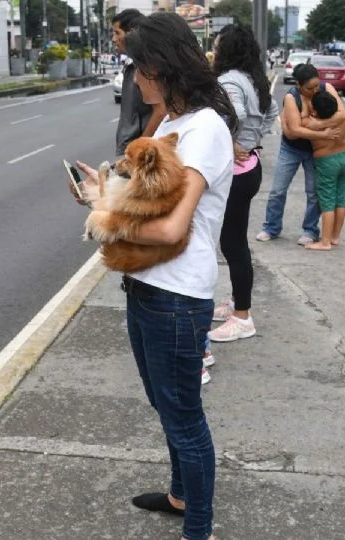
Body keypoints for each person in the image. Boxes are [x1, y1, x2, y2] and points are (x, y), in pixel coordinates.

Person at [71, 12, 236, 540]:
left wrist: (105, 225)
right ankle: (181, 494)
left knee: (184, 416)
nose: (135, 79)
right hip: (146, 287)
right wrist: (104, 196)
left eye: (140, 67)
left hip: (178, 296)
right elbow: (145, 205)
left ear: (162, 67)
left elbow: (170, 230)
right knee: (164, 403)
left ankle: (199, 527)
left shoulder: (205, 129)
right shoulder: (168, 123)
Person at [207, 24, 279, 345]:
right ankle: (238, 304)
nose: (213, 50)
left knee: (233, 245)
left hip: (235, 172)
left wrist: (230, 141)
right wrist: (251, 141)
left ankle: (243, 318)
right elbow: (272, 112)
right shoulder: (255, 78)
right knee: (234, 242)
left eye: (217, 45)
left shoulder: (229, 80)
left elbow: (230, 112)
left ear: (228, 50)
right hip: (250, 167)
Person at [256, 63, 345, 246]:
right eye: (309, 88)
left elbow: (342, 115)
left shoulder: (326, 88)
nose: (314, 91)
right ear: (298, 84)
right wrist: (323, 133)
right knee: (277, 190)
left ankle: (310, 230)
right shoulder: (292, 97)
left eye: (316, 85)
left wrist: (313, 125)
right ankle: (271, 227)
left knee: (314, 193)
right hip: (291, 149)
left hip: (316, 152)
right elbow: (294, 131)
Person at [301, 91, 345, 251]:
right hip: (344, 156)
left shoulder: (312, 124)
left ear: (315, 110)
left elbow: (302, 123)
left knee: (327, 200)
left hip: (326, 161)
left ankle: (325, 242)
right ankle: (335, 237)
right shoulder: (341, 120)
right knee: (341, 198)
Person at [112, 8, 166, 156]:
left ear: (132, 32)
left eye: (117, 33)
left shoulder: (144, 65)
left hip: (141, 154)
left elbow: (160, 111)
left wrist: (140, 148)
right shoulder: (132, 64)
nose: (113, 39)